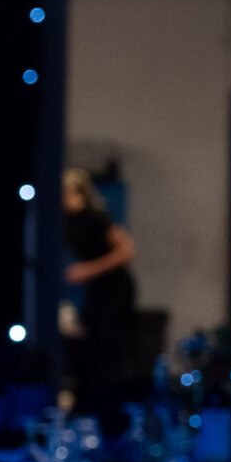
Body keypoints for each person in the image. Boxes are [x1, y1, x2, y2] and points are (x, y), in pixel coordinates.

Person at [61, 166, 138, 392]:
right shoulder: (67, 221)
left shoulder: (96, 217)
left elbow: (127, 251)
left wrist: (88, 270)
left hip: (115, 289)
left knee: (109, 343)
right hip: (96, 289)